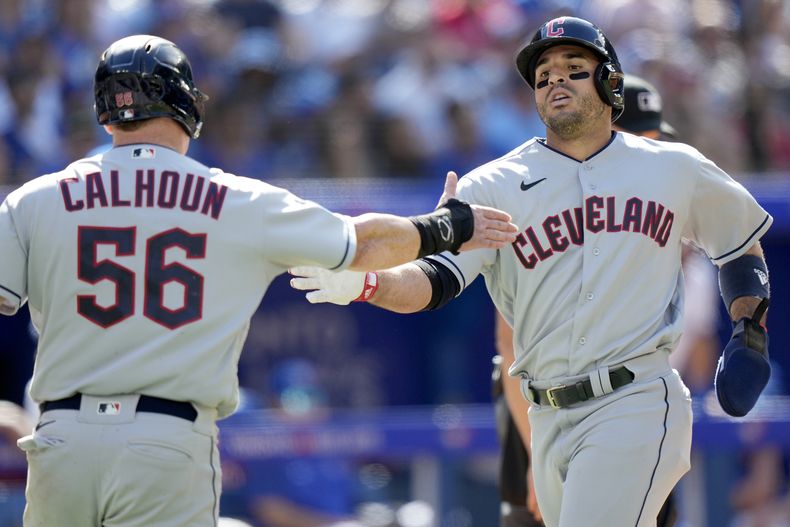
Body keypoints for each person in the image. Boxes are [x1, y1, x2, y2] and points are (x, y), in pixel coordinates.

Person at [0, 35, 519, 527]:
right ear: (186, 104)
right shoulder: (231, 197)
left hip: (61, 439)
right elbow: (361, 243)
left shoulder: (33, 198)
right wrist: (445, 226)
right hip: (164, 439)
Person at [290, 16, 774, 527]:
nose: (555, 80)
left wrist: (750, 330)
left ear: (610, 82)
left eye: (573, 68)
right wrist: (369, 284)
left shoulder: (673, 167)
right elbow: (432, 282)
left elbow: (740, 242)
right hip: (546, 415)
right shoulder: (494, 186)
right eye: (543, 74)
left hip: (635, 400)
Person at [491, 73, 712, 527]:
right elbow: (511, 345)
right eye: (640, 139)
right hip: (545, 414)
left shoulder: (658, 214)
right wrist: (539, 457)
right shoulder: (547, 202)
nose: (651, 154)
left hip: (636, 410)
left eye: (656, 141)